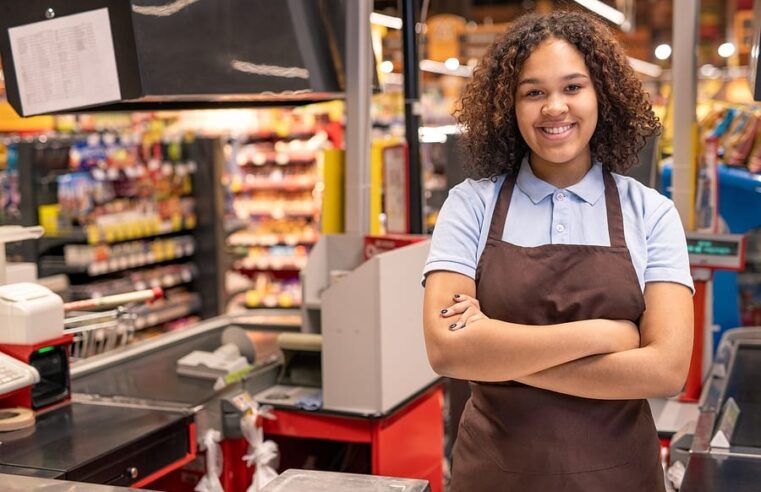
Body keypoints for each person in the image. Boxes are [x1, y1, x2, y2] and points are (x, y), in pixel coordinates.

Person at [421, 10, 694, 492]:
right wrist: (607, 334)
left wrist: (501, 357)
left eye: (572, 87)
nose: (554, 107)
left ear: (600, 96)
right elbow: (448, 350)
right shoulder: (471, 205)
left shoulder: (650, 212)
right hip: (494, 476)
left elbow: (666, 369)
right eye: (533, 92)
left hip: (620, 477)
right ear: (510, 105)